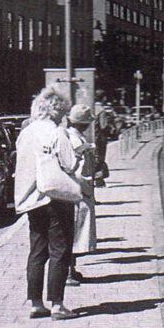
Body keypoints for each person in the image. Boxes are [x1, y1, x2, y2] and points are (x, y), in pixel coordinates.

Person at [14, 86, 79, 320]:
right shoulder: (57, 132)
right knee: (59, 250)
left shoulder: (27, 132)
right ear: (57, 111)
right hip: (56, 197)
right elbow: (69, 163)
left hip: (33, 198)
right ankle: (58, 305)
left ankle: (35, 303)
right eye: (63, 111)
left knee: (37, 250)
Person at [65, 104, 97, 286]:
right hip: (78, 192)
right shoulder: (76, 141)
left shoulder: (74, 136)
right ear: (84, 124)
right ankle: (68, 272)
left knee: (75, 232)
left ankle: (72, 269)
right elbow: (79, 170)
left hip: (78, 191)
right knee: (74, 233)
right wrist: (87, 187)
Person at [93, 102, 112, 186]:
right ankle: (99, 181)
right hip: (99, 138)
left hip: (89, 137)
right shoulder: (101, 110)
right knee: (100, 159)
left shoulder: (87, 106)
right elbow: (103, 126)